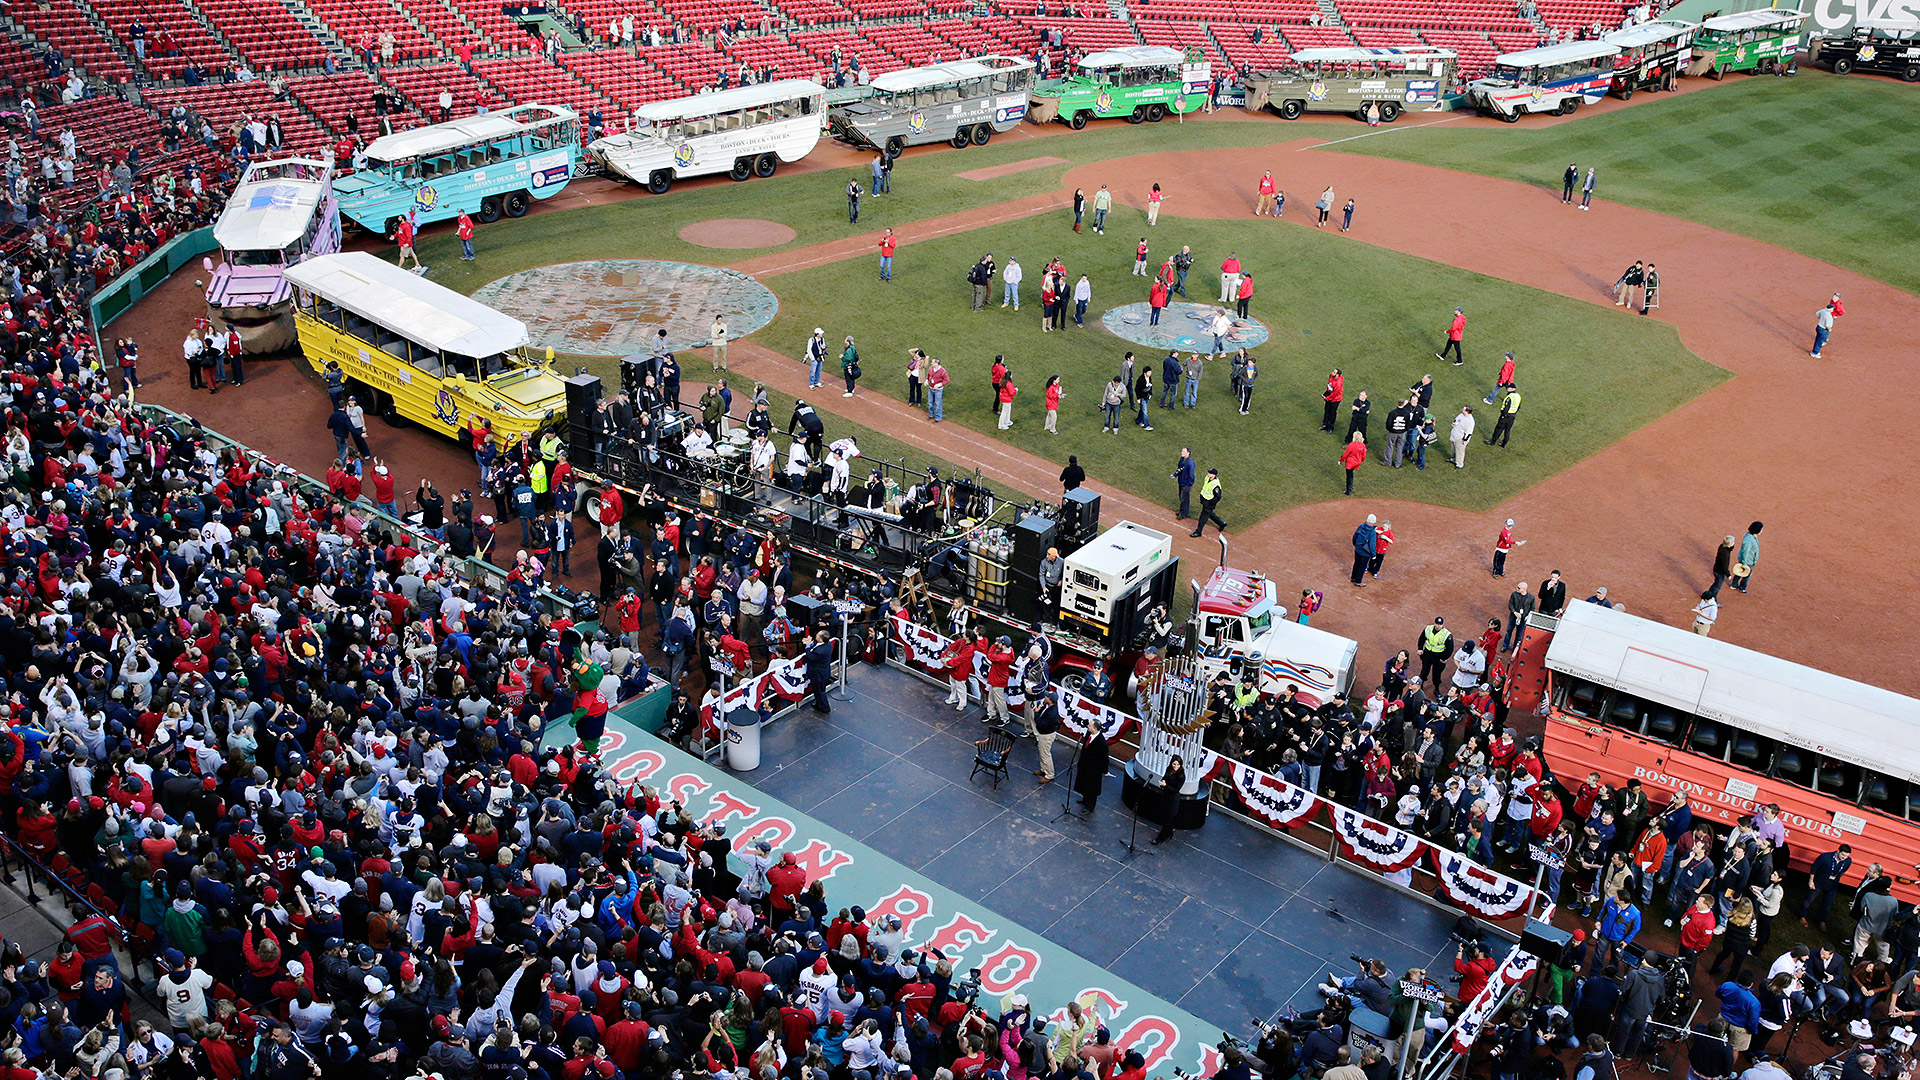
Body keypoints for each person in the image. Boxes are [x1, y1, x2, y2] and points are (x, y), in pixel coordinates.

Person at [1150, 755, 1187, 845]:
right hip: (1166, 796)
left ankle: (1160, 837)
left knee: (1168, 818)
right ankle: (1169, 832)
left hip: (1173, 799)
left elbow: (1176, 790)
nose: (1176, 766)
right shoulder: (1169, 770)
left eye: (1178, 765)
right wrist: (1162, 784)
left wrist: (1165, 786)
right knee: (1167, 818)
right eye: (1174, 764)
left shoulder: (1181, 776)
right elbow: (1165, 778)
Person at [1075, 729, 1109, 813]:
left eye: (1090, 725)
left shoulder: (1102, 743)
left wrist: (1105, 770)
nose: (1088, 726)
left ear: (1095, 729)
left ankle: (1090, 806)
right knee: (1085, 784)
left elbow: (1104, 758)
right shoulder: (1088, 734)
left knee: (1091, 788)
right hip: (1085, 766)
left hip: (1094, 770)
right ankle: (1085, 800)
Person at [1191, 468, 1225, 537]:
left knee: (1203, 518)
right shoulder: (1207, 478)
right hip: (1204, 500)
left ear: (1214, 475)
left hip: (1209, 504)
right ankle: (1221, 523)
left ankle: (1198, 532)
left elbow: (1218, 497)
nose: (1208, 474)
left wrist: (1210, 503)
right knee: (1209, 514)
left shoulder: (1216, 485)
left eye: (1210, 473)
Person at [1732, 521, 1761, 594]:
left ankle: (1734, 584)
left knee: (1740, 571)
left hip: (1749, 560)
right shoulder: (1749, 539)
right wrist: (1744, 562)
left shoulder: (1751, 536)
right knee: (1747, 574)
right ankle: (1742, 587)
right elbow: (1746, 551)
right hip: (1748, 561)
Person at [1350, 515, 1378, 587]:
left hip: (1358, 549)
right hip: (1365, 553)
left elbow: (1355, 536)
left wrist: (1355, 544)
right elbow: (1372, 544)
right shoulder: (1372, 532)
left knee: (1356, 563)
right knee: (1362, 567)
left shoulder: (1361, 526)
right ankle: (1358, 581)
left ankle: (1353, 577)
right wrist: (1374, 554)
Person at [1322, 368, 1345, 432]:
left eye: (1334, 372)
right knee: (1327, 411)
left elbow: (1335, 393)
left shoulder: (1338, 383)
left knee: (1332, 413)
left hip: (1335, 399)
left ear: (1337, 374)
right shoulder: (1332, 376)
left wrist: (1327, 398)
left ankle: (1330, 427)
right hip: (1330, 395)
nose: (1332, 373)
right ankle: (1325, 424)